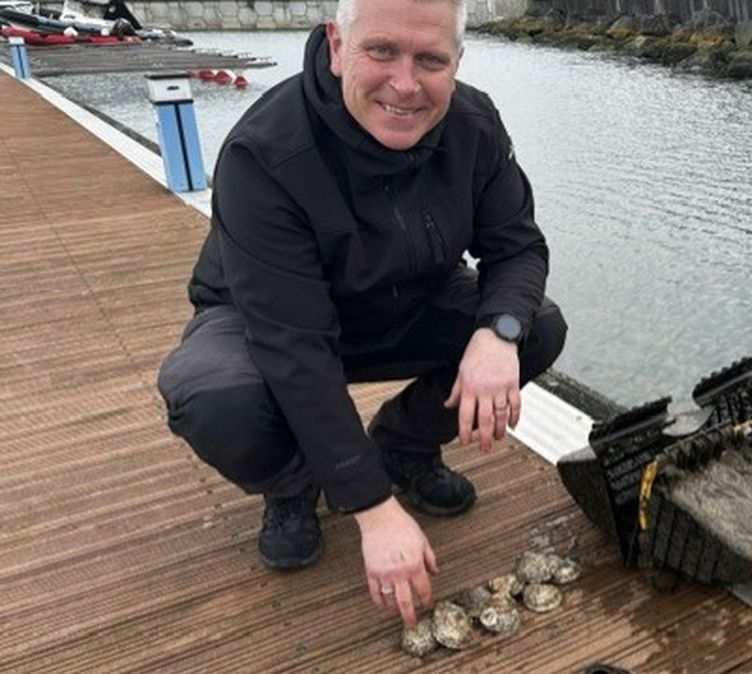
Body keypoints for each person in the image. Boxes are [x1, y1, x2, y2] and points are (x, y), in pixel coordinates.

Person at [156, 0, 567, 628]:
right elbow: (295, 347)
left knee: (536, 323)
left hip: (410, 300)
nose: (405, 84)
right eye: (382, 51)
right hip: (269, 322)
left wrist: (498, 332)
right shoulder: (263, 153)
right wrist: (372, 509)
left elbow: (517, 247)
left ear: (458, 61)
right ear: (337, 45)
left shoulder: (474, 124)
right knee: (212, 398)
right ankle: (293, 484)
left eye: (430, 60)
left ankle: (403, 445)